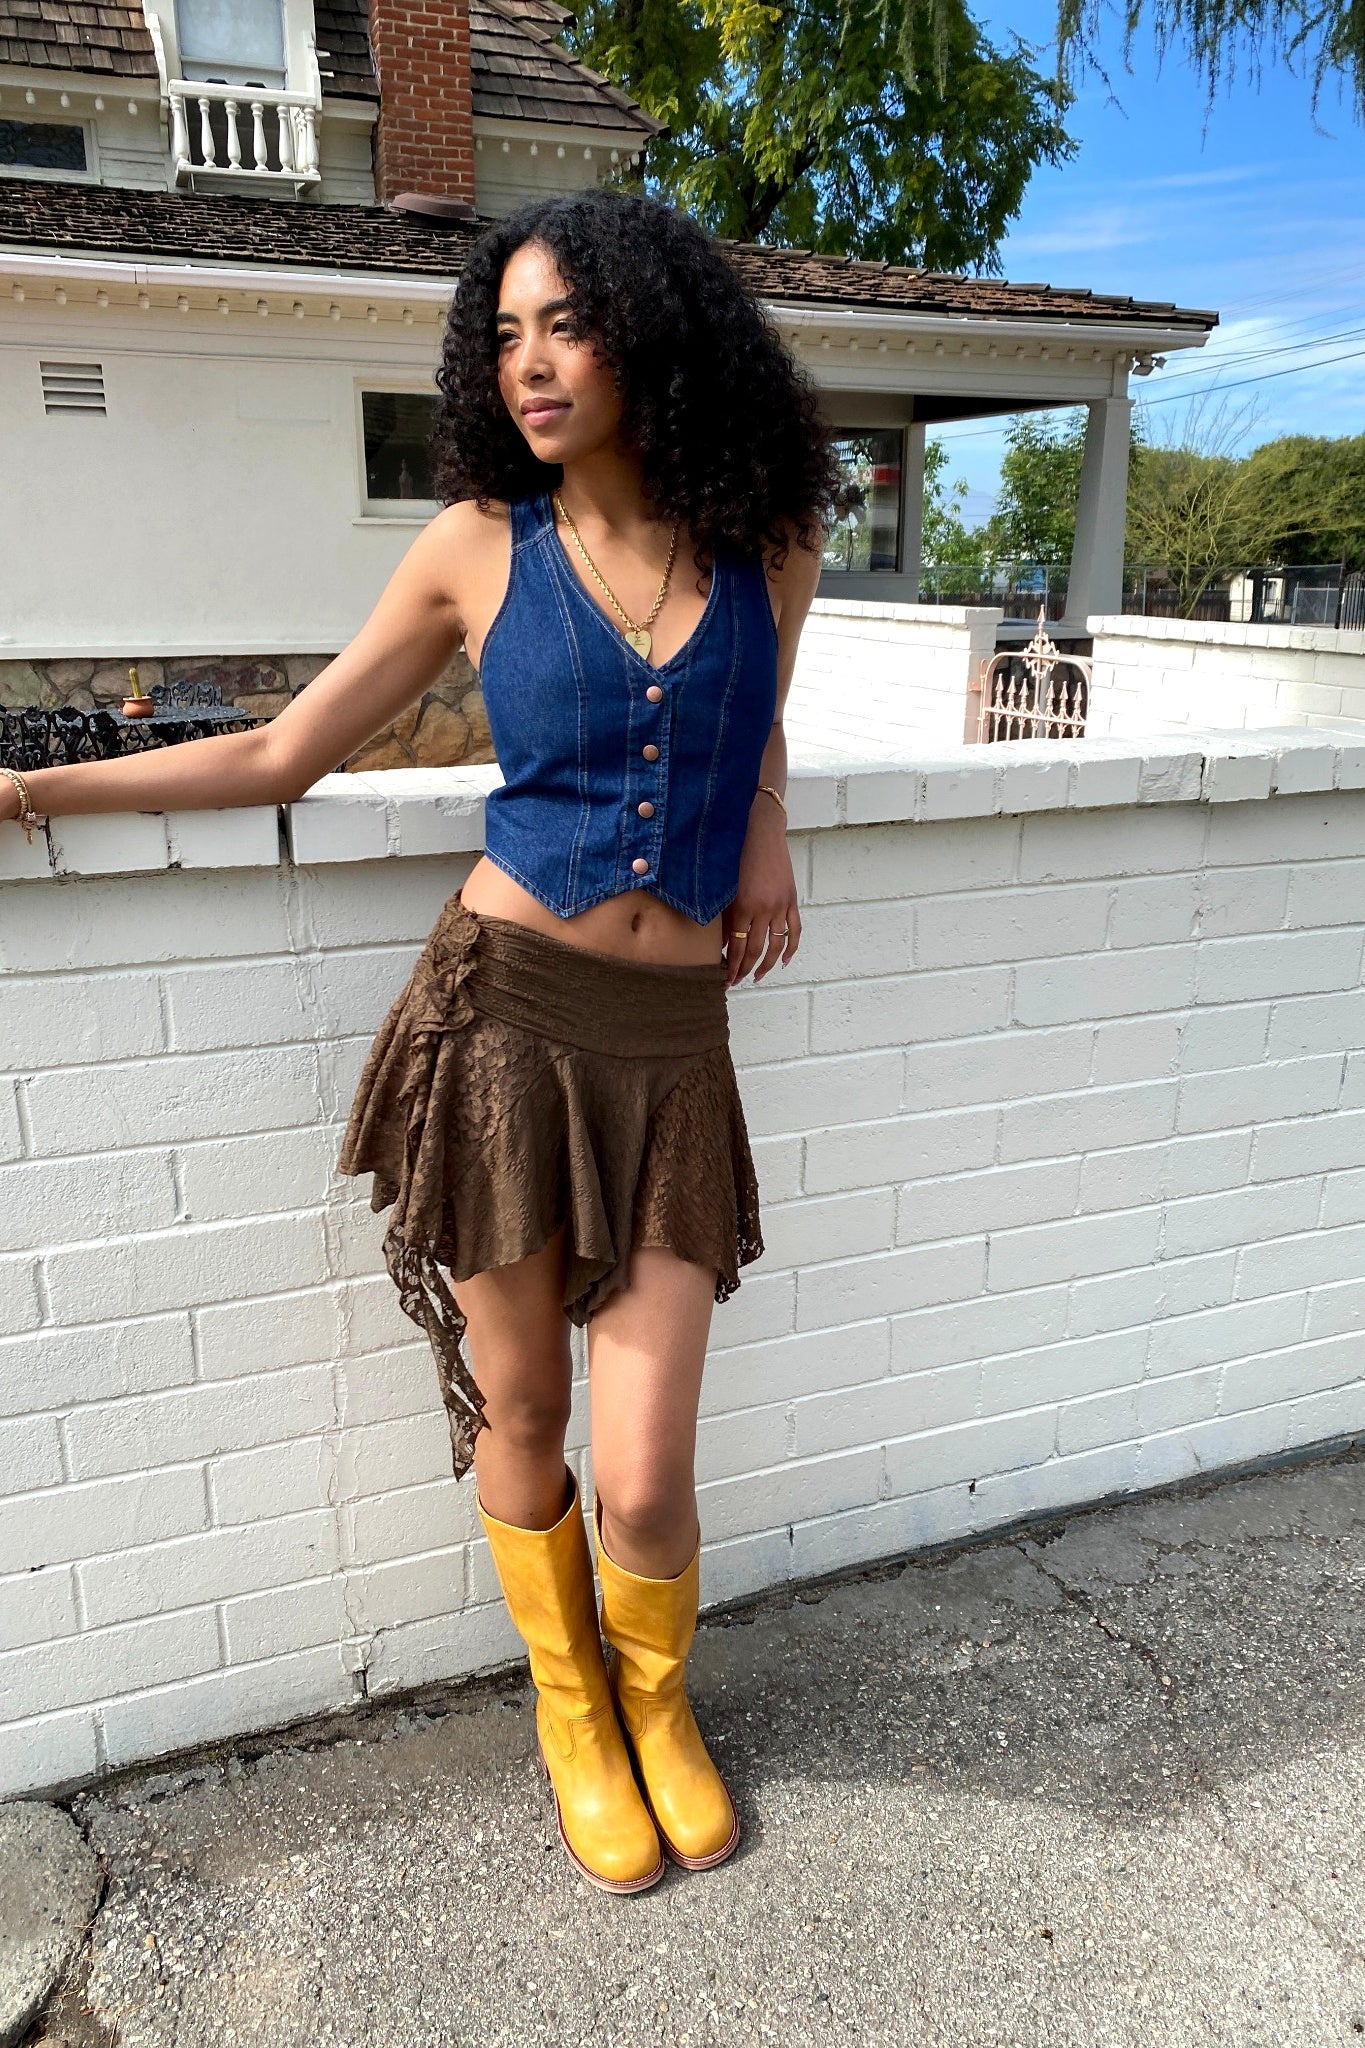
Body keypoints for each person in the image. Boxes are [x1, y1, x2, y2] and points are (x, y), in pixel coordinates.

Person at [0, 187, 836, 1895]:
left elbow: (759, 719)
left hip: (674, 1043)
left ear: (651, 332)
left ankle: (661, 1705)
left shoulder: (769, 538)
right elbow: (281, 755)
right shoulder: (476, 545)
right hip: (505, 1024)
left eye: (565, 324)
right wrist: (27, 785)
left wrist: (763, 824)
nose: (530, 363)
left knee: (651, 1462)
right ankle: (570, 1708)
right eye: (504, 334)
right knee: (523, 1402)